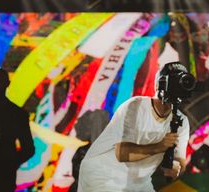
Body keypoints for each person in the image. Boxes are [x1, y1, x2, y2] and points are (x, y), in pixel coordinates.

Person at [78, 63, 191, 191]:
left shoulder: (182, 122)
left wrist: (176, 168)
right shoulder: (135, 106)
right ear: (158, 84)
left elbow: (180, 161)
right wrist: (160, 146)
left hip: (138, 182)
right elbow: (122, 153)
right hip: (102, 173)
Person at [0, 68, 35, 192]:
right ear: (8, 84)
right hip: (5, 175)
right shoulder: (18, 114)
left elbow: (28, 149)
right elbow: (28, 149)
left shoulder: (18, 114)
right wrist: (10, 163)